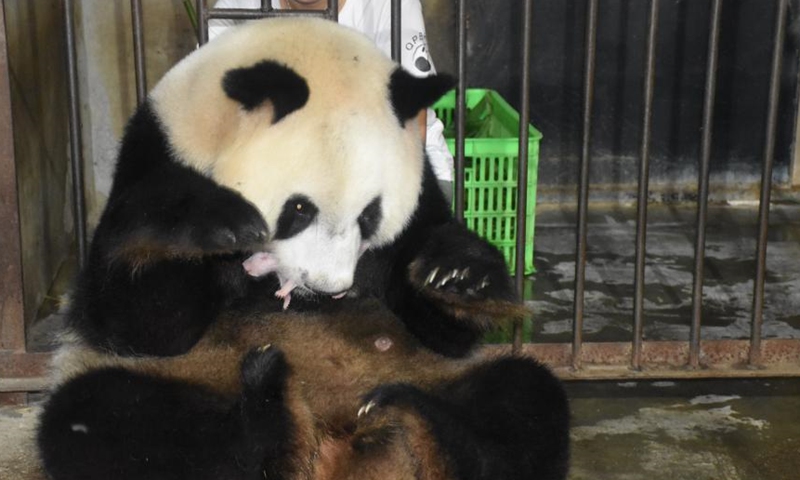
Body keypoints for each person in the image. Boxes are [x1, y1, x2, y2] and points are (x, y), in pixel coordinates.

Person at [209, 0, 454, 201]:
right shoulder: (239, 4)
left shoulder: (387, 5)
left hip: (390, 168)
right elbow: (207, 99)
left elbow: (413, 126)